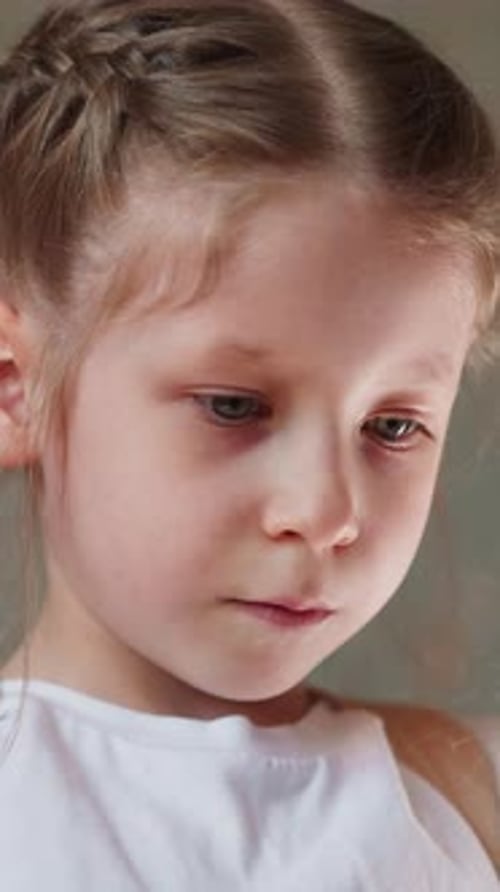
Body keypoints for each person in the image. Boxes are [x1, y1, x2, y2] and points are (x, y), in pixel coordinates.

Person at [0, 0, 499, 888]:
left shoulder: (470, 798)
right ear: (15, 387)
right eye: (234, 406)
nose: (327, 513)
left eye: (392, 425)